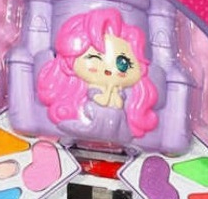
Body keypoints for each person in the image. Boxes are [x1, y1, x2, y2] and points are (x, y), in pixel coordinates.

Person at [37, 8, 158, 142]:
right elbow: (100, 101)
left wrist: (114, 91)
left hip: (116, 123)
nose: (109, 71)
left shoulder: (123, 92)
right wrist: (109, 90)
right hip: (94, 116)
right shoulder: (93, 88)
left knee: (117, 117)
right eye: (95, 58)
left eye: (123, 63)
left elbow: (118, 104)